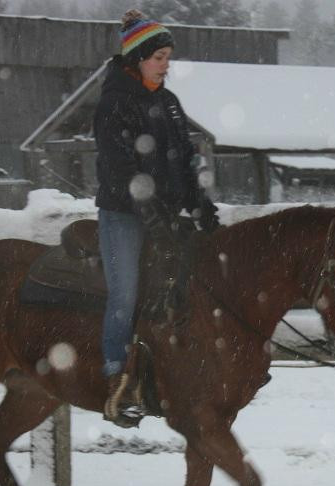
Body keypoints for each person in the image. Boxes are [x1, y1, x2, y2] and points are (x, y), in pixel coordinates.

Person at [93, 9, 219, 425]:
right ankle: (117, 380)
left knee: (193, 285)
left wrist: (199, 202)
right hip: (123, 216)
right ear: (138, 58)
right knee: (125, 293)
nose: (166, 65)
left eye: (168, 58)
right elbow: (120, 167)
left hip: (166, 215)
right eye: (159, 57)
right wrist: (149, 212)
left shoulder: (169, 103)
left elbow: (185, 159)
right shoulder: (114, 103)